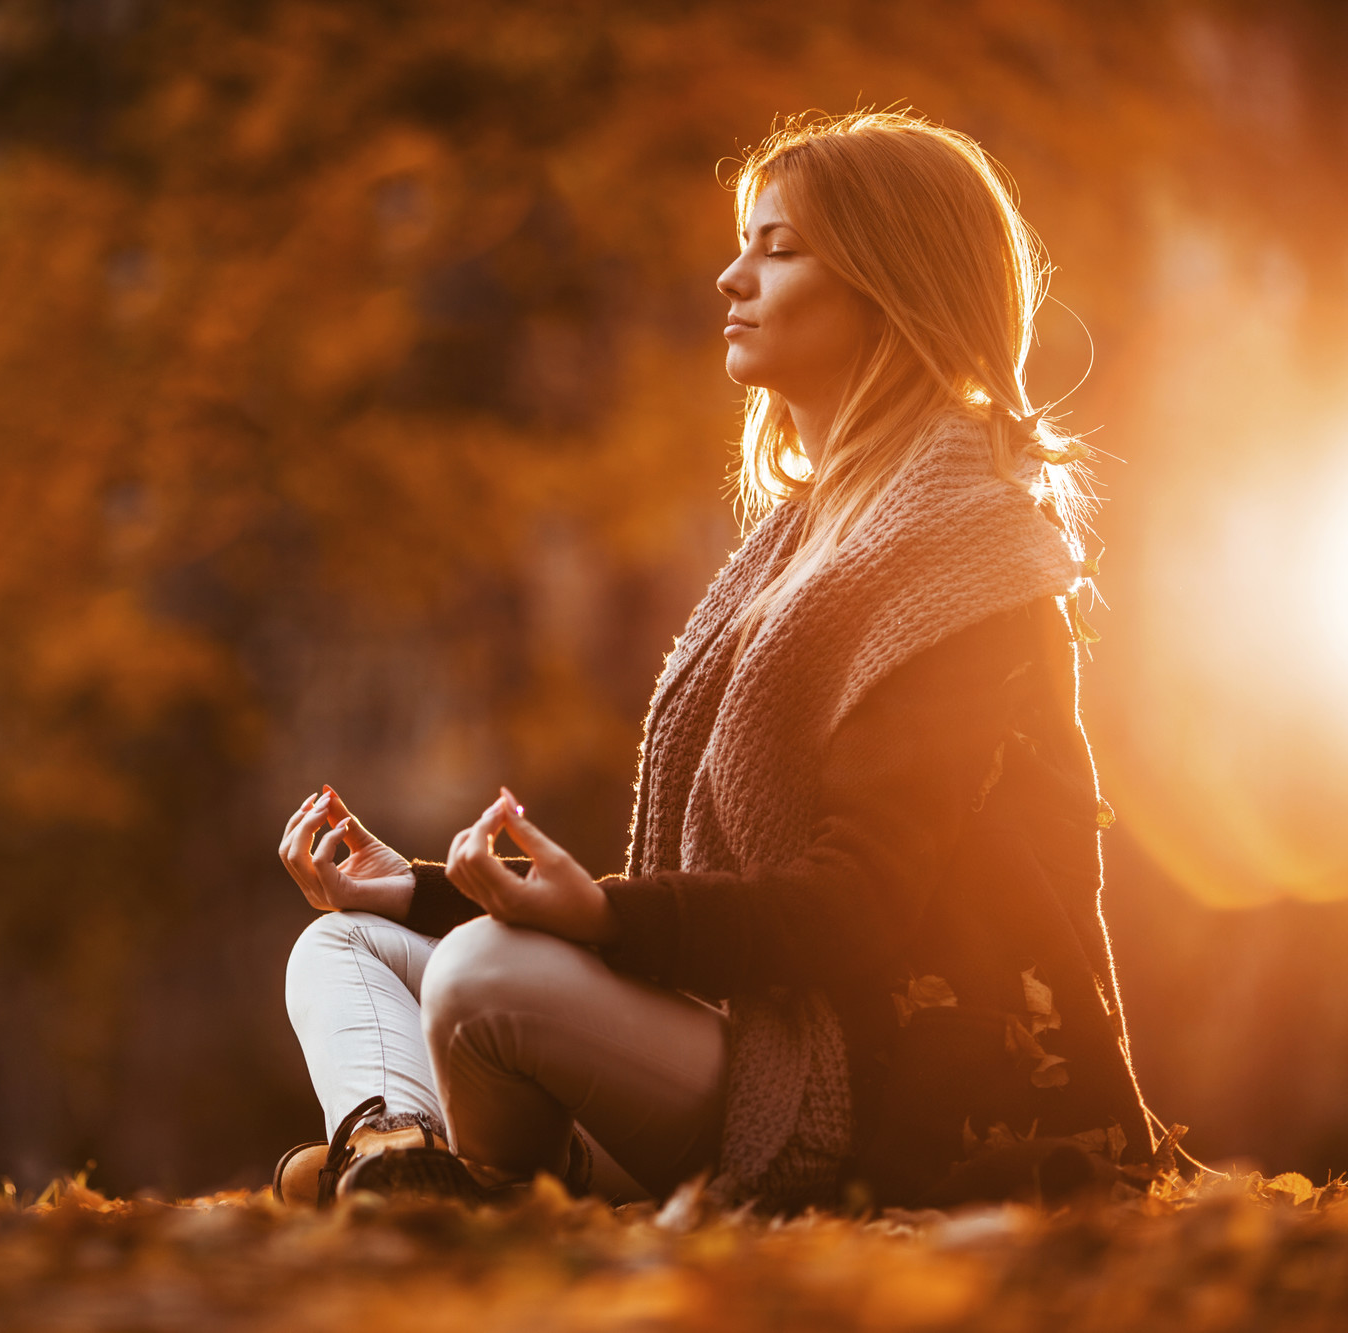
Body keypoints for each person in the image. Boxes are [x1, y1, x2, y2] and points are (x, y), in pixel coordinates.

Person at [273, 110, 1158, 1214]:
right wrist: (418, 887)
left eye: (777, 248)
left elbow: (859, 911)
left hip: (876, 1094)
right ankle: (393, 1154)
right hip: (735, 1046)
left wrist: (595, 916)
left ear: (894, 282)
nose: (729, 277)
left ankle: (483, 1193)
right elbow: (704, 912)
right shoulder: (801, 543)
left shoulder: (962, 552)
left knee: (477, 978)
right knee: (347, 941)